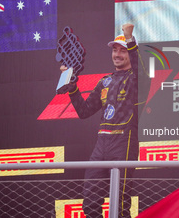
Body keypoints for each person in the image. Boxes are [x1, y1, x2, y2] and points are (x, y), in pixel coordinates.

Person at [60, 24, 150, 218]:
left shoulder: (137, 79)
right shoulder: (104, 81)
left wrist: (130, 39)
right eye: (115, 50)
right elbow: (84, 111)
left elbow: (139, 70)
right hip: (101, 145)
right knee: (90, 204)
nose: (117, 54)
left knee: (120, 205)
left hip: (124, 142)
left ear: (130, 53)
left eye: (123, 50)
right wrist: (72, 88)